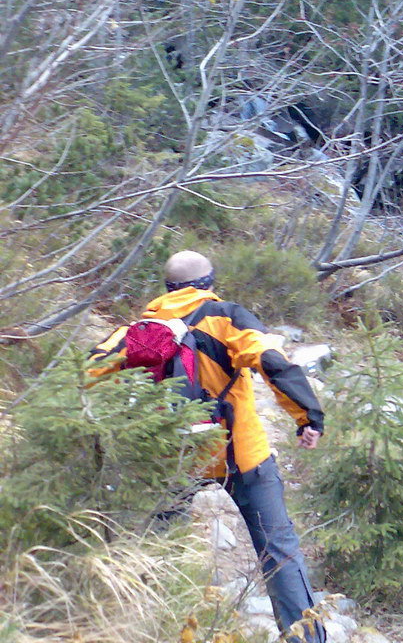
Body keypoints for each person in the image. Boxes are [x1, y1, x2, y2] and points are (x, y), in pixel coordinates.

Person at [90, 250, 326, 643]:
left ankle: (153, 627)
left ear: (167, 288)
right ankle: (304, 638)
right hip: (240, 453)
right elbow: (270, 359)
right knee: (280, 551)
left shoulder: (140, 328)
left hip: (173, 456)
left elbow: (90, 371)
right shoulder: (228, 317)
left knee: (159, 547)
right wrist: (307, 416)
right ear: (209, 282)